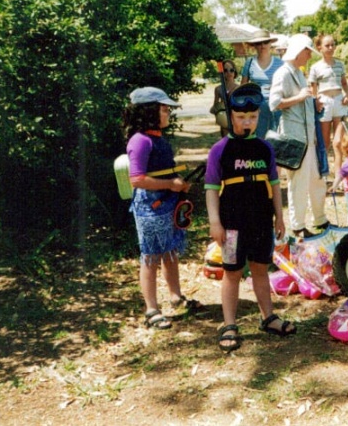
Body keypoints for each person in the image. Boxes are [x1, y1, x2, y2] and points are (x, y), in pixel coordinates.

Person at [204, 84, 293, 352]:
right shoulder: (220, 150)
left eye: (252, 117)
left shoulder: (265, 148)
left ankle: (268, 317)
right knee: (231, 272)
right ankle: (229, 323)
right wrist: (214, 222)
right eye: (242, 118)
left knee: (260, 269)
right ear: (231, 117)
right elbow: (210, 189)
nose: (247, 122)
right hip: (232, 223)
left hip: (261, 222)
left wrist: (279, 217)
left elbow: (275, 185)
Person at [122, 87, 202, 330]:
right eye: (165, 110)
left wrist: (178, 184)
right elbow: (136, 180)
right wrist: (170, 184)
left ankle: (176, 297)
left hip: (167, 203)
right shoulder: (140, 141)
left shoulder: (157, 138)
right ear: (149, 112)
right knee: (150, 257)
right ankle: (151, 310)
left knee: (170, 252)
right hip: (150, 207)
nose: (168, 114)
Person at [269, 34, 329, 238]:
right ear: (298, 50)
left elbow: (301, 102)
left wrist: (314, 104)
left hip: (309, 135)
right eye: (307, 52)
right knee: (299, 183)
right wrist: (299, 98)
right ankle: (297, 225)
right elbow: (274, 103)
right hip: (295, 137)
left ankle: (320, 219)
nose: (308, 57)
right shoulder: (282, 74)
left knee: (316, 179)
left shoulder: (298, 73)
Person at [309, 34, 348, 172]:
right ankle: (323, 173)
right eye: (327, 45)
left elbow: (344, 82)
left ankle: (338, 176)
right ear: (319, 47)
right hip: (324, 103)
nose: (331, 48)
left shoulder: (340, 64)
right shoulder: (315, 67)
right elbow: (313, 88)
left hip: (339, 101)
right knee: (325, 142)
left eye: (333, 44)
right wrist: (315, 101)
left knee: (338, 142)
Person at [241, 29, 284, 138]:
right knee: (258, 139)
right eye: (258, 43)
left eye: (265, 42)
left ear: (270, 44)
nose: (262, 46)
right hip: (256, 107)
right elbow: (243, 88)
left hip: (277, 107)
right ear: (254, 46)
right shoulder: (249, 63)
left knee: (276, 139)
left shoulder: (281, 64)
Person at [210, 59, 239, 137]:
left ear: (235, 72)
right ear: (222, 72)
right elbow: (215, 107)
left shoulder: (239, 88)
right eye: (225, 70)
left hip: (237, 119)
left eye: (231, 70)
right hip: (225, 119)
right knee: (226, 141)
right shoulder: (218, 89)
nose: (229, 73)